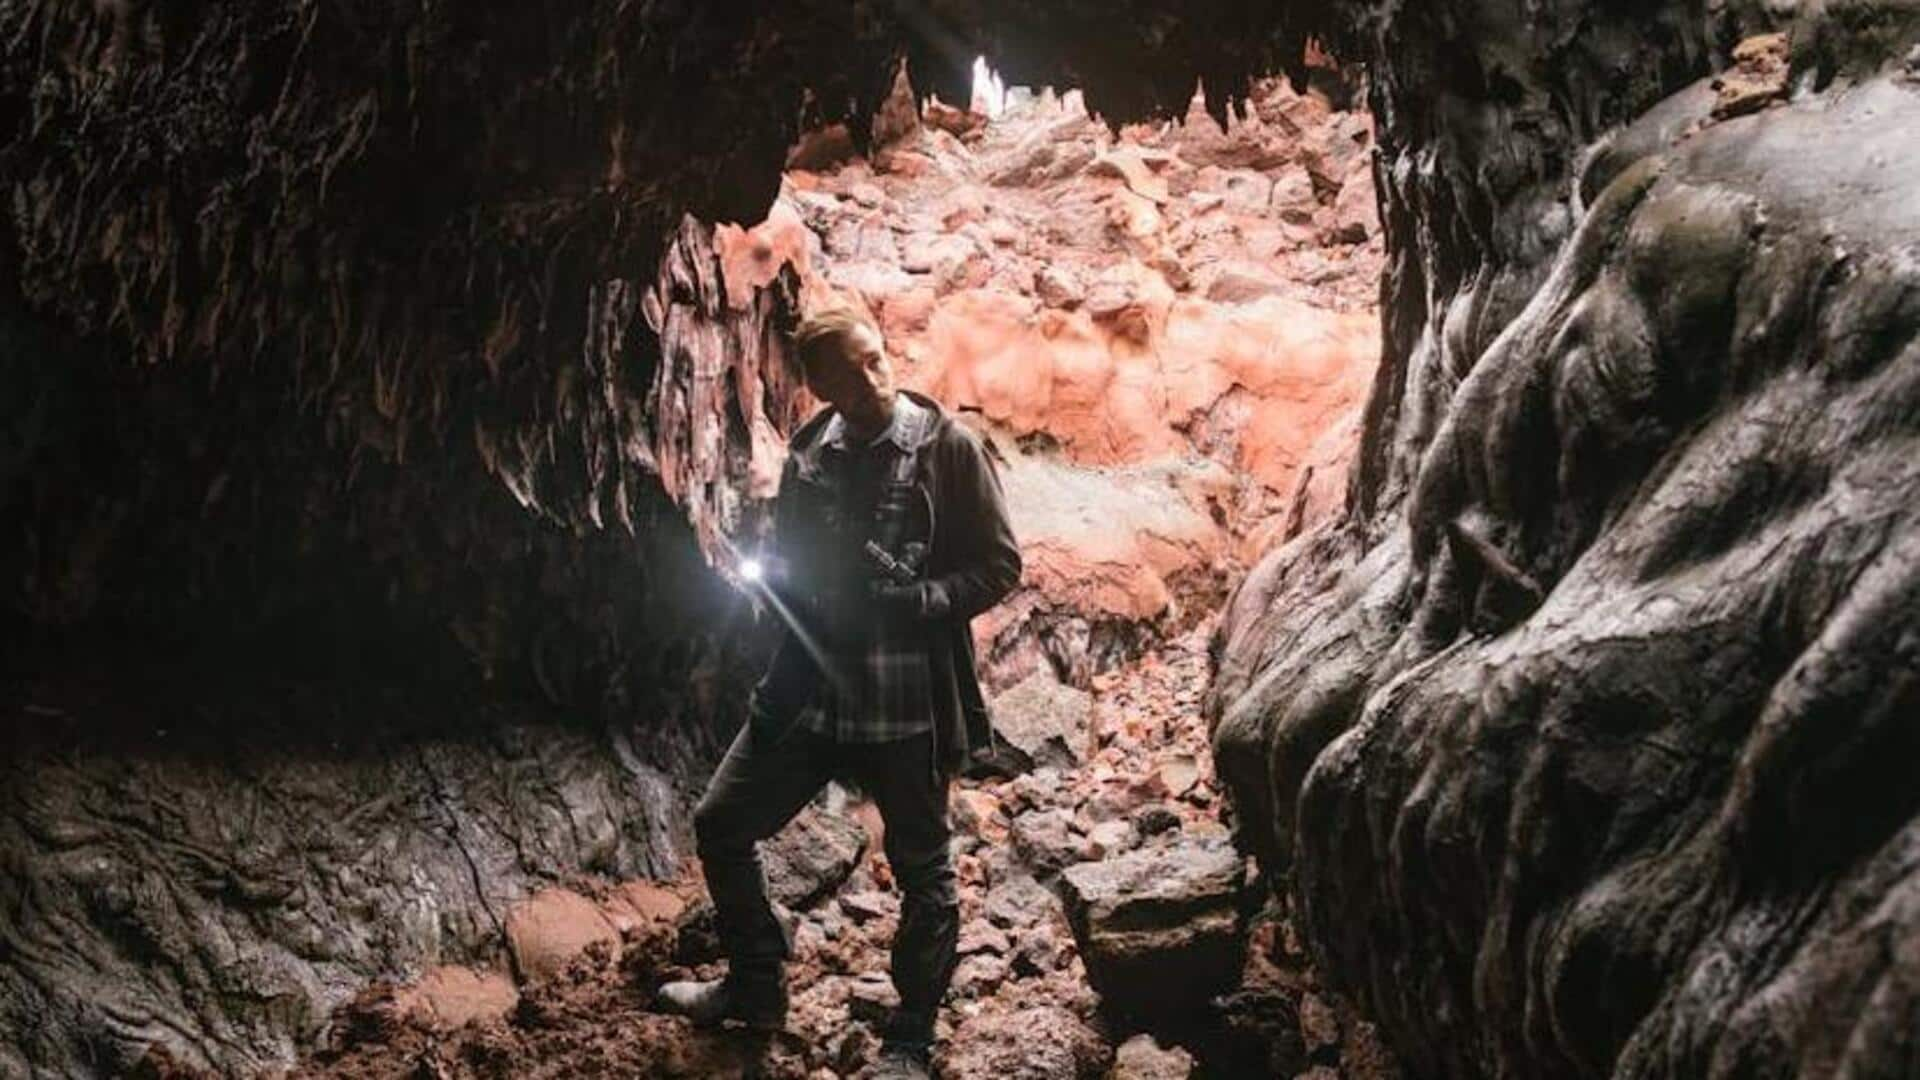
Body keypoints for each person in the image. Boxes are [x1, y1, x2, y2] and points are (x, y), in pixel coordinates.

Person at [657, 307, 1022, 1079]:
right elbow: (788, 570)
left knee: (923, 870)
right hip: (813, 694)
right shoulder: (809, 457)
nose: (871, 378)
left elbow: (999, 567)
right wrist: (778, 673)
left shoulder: (945, 450)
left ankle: (911, 1036)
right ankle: (756, 985)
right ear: (817, 384)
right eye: (848, 370)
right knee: (722, 822)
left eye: (876, 359)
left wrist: (919, 601)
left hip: (905, 703)